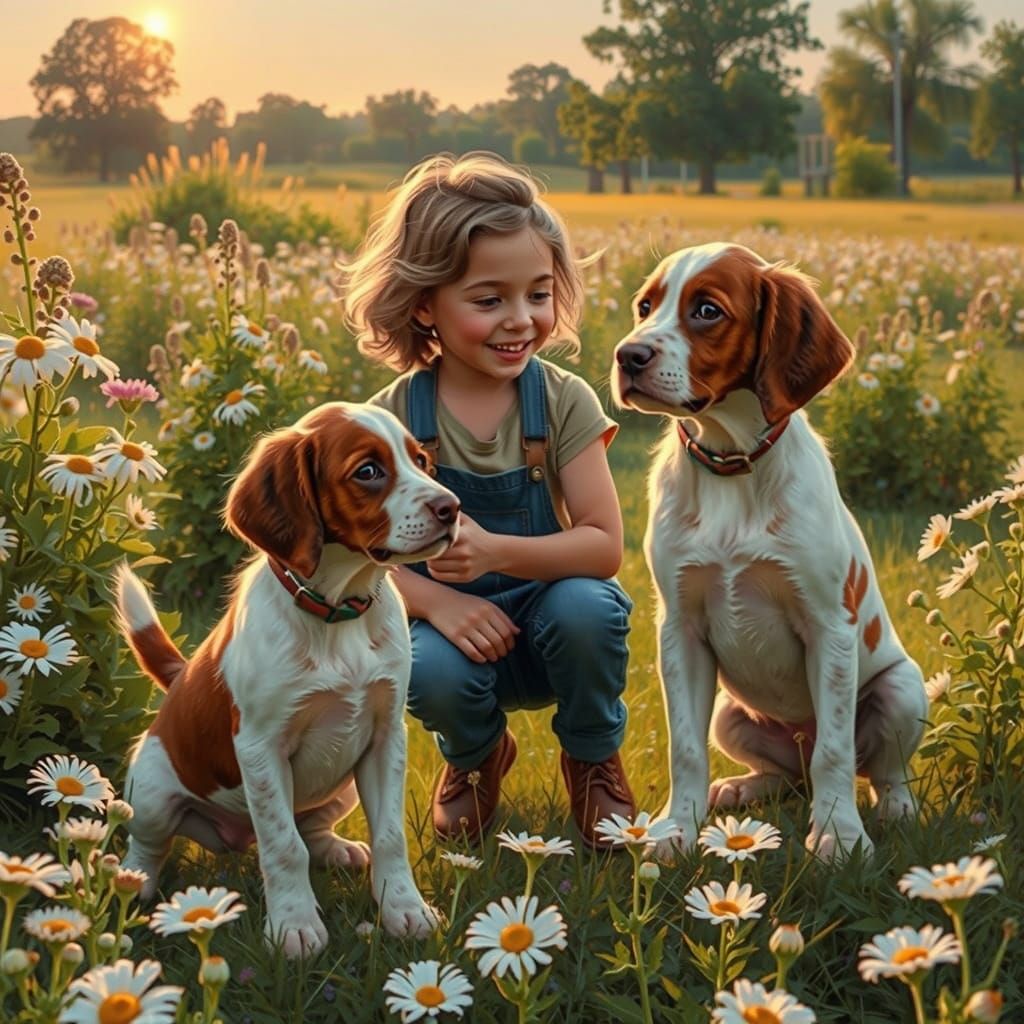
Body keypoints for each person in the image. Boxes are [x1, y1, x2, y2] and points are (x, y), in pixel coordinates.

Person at [341, 152, 636, 847]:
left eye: (539, 294)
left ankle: (592, 758)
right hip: (455, 636)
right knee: (423, 665)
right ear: (424, 304)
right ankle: (475, 759)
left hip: (551, 623)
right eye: (488, 300)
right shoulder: (391, 420)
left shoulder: (562, 400)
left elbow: (604, 546)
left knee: (590, 609)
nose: (521, 320)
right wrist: (439, 602)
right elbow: (355, 558)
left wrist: (495, 553)